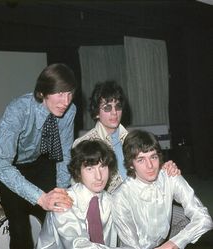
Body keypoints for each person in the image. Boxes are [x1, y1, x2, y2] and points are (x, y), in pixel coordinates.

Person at [73, 81, 187, 237]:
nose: (114, 113)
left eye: (118, 106)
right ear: (96, 113)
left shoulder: (132, 138)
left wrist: (166, 168)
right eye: (107, 107)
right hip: (115, 213)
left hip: (145, 202)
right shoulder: (85, 144)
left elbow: (148, 169)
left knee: (187, 219)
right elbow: (79, 191)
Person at [0, 63, 76, 249]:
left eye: (70, 93)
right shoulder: (18, 110)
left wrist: (61, 192)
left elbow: (64, 157)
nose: (66, 101)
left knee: (59, 221)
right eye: (60, 93)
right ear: (43, 92)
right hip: (13, 169)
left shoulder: (70, 111)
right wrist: (40, 197)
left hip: (42, 164)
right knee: (20, 230)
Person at [112, 129, 213, 249]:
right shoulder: (120, 197)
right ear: (130, 164)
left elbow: (204, 218)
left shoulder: (169, 176)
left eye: (153, 157)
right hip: (135, 246)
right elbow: (132, 245)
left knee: (195, 229)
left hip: (164, 241)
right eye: (141, 160)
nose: (150, 166)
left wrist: (173, 244)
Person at [37, 140, 126, 249]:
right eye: (90, 169)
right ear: (78, 171)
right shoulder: (63, 200)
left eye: (102, 167)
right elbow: (78, 245)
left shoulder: (111, 201)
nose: (98, 176)